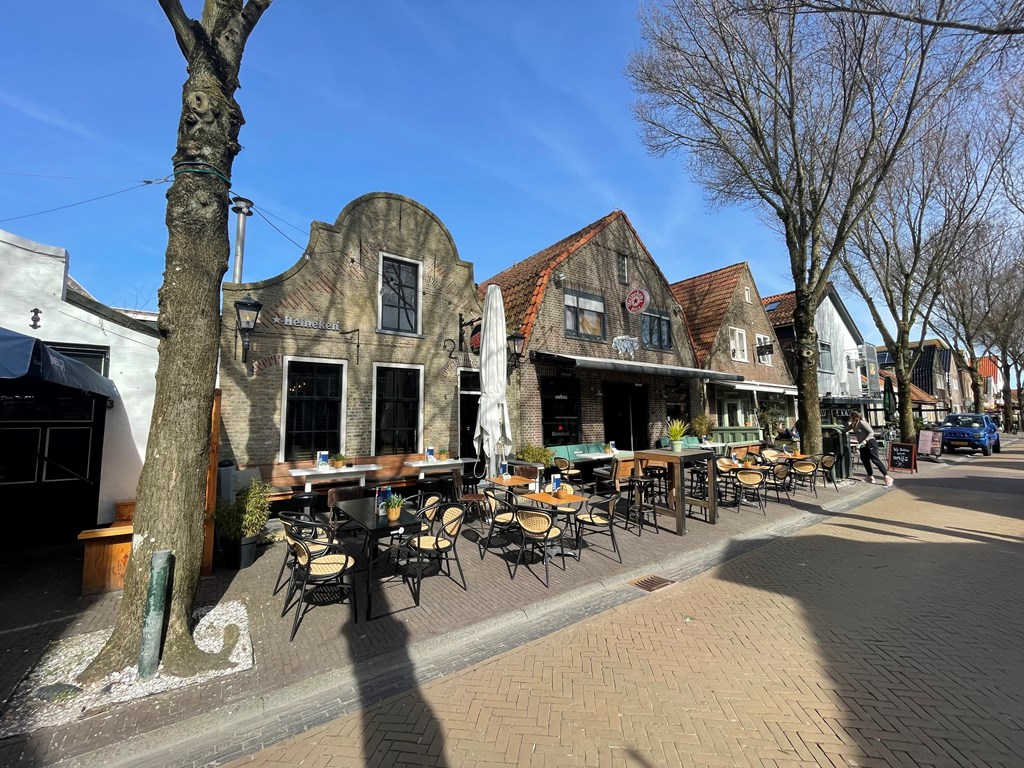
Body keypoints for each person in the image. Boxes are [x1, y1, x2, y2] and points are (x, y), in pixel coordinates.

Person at [848, 411, 892, 487]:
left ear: (854, 417)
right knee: (864, 459)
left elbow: (871, 432)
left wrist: (865, 440)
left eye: (851, 417)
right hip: (862, 444)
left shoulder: (862, 422)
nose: (850, 418)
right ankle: (870, 476)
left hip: (870, 442)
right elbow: (845, 429)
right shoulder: (853, 424)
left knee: (874, 459)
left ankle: (887, 477)